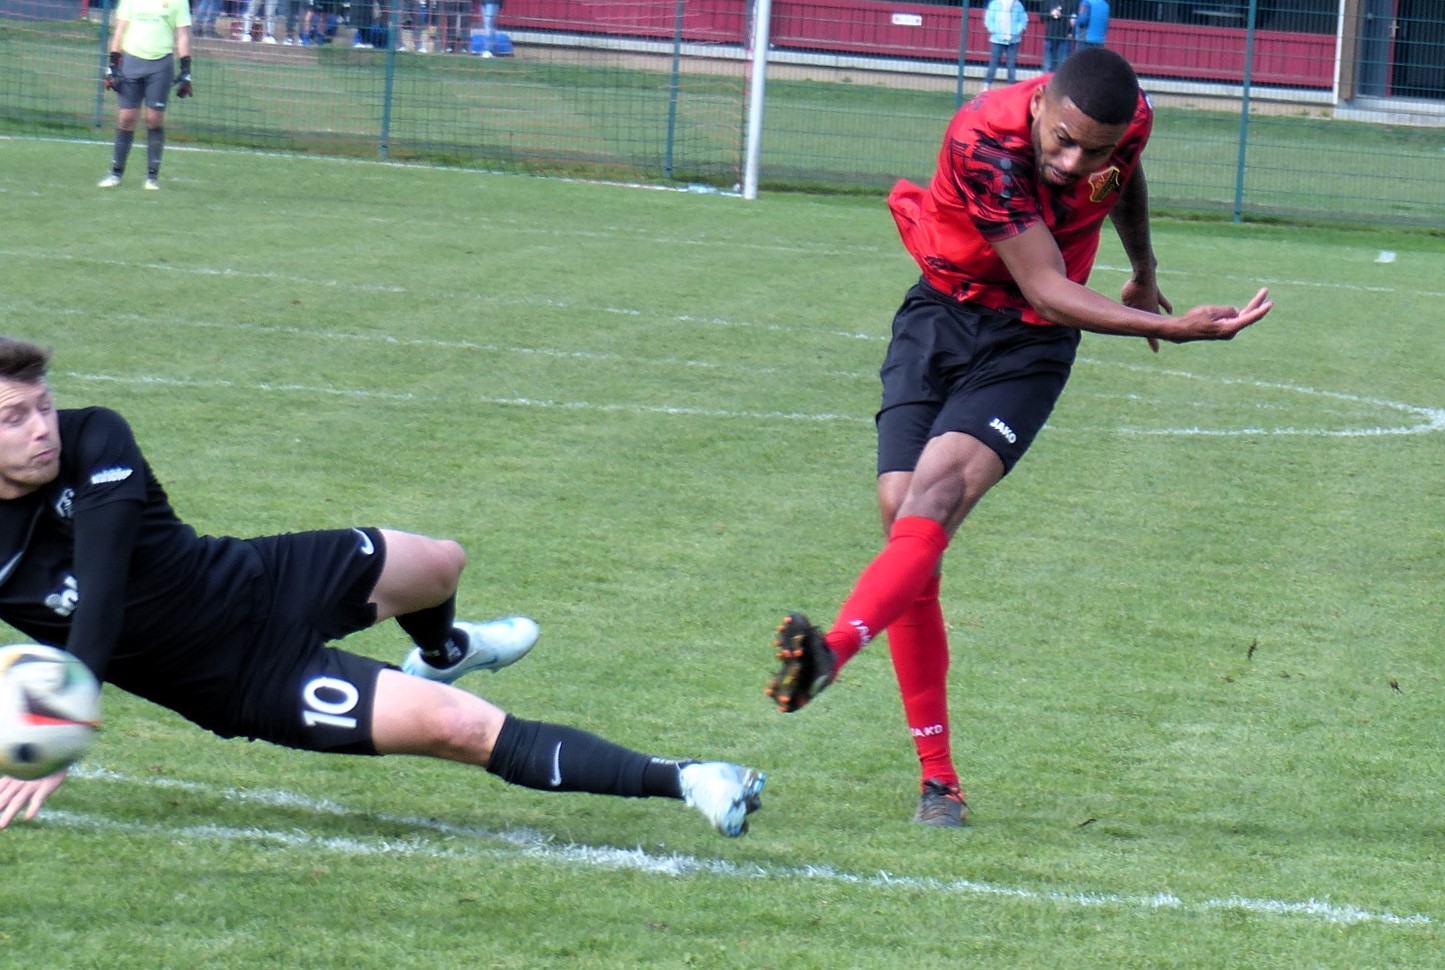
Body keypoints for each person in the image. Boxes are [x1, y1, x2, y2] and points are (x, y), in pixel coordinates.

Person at [764, 48, 1271, 827]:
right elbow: (1046, 283)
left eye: (1092, 150)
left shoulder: (1126, 125)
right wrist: (1171, 326)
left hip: (1027, 343)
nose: (1072, 164)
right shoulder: (983, 142)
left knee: (933, 498)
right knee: (905, 523)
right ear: (1039, 105)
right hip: (944, 313)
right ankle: (938, 780)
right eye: (1062, 140)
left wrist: (1142, 267)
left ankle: (837, 657)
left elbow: (1121, 177)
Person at [0, 338, 765, 836]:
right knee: (459, 729)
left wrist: (71, 710)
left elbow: (103, 578)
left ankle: (444, 649)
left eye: (43, 405)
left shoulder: (97, 435)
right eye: (14, 418)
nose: (42, 428)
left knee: (441, 563)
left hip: (259, 578)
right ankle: (691, 779)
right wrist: (53, 726)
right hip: (242, 679)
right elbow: (101, 606)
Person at [98, 0, 193, 191]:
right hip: (131, 61)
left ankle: (152, 176)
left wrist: (186, 70)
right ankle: (116, 172)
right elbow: (120, 31)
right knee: (126, 118)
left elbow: (183, 35)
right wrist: (113, 65)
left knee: (154, 119)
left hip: (161, 65)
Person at [982, 0, 1027, 90]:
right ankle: (986, 85)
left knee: (1011, 64)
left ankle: (1010, 87)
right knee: (993, 63)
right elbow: (989, 19)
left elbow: (1023, 20)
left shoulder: (1018, 5)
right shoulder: (995, 4)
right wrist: (994, 30)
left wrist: (1016, 32)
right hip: (997, 40)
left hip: (1014, 40)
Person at [1042, 2, 1073, 73]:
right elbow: (1042, 16)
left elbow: (1072, 19)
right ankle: (1047, 80)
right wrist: (1051, 14)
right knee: (1047, 66)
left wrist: (1070, 31)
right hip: (1050, 36)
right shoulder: (1049, 2)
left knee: (1062, 65)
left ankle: (1059, 79)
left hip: (1063, 37)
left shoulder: (1069, 3)